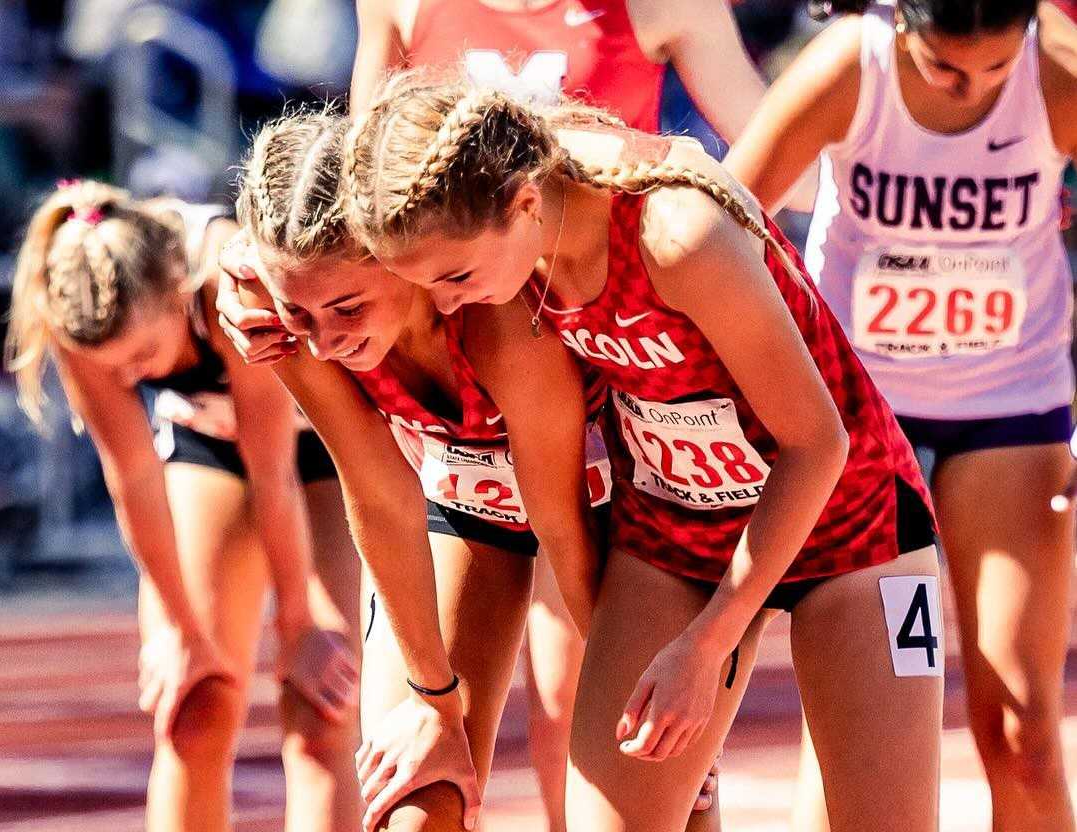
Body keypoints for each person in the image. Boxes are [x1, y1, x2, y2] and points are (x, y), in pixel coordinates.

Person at [339, 70, 946, 832]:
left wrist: (705, 649)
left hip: (852, 529)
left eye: (455, 277)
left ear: (525, 202)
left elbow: (818, 443)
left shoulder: (675, 235)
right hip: (675, 535)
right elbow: (296, 220)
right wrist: (235, 275)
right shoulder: (508, 265)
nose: (449, 305)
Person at [348, 4, 796, 824]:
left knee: (577, 710)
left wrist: (691, 246)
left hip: (613, 407)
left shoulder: (658, 7)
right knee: (428, 776)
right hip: (482, 397)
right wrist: (245, 255)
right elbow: (357, 185)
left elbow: (779, 166)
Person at [218, 110, 692, 832]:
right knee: (410, 798)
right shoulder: (296, 321)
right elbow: (378, 495)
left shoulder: (501, 323)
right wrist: (435, 706)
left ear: (396, 251)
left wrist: (642, 687)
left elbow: (563, 528)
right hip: (468, 502)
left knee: (637, 779)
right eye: (300, 313)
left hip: (605, 513)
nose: (329, 338)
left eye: (347, 306)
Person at [724, 2, 1077, 828]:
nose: (973, 89)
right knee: (854, 728)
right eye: (947, 69)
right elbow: (722, 216)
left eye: (997, 69)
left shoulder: (1056, 66)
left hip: (1010, 409)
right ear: (901, 21)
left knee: (1024, 731)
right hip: (863, 427)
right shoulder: (853, 64)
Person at [4, 180, 362, 832]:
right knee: (193, 711)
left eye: (145, 357)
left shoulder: (229, 276)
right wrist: (180, 628)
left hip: (321, 452)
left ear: (177, 291)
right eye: (120, 372)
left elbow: (273, 468)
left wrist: (299, 624)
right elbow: (133, 475)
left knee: (320, 712)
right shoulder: (77, 314)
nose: (134, 379)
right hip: (207, 446)